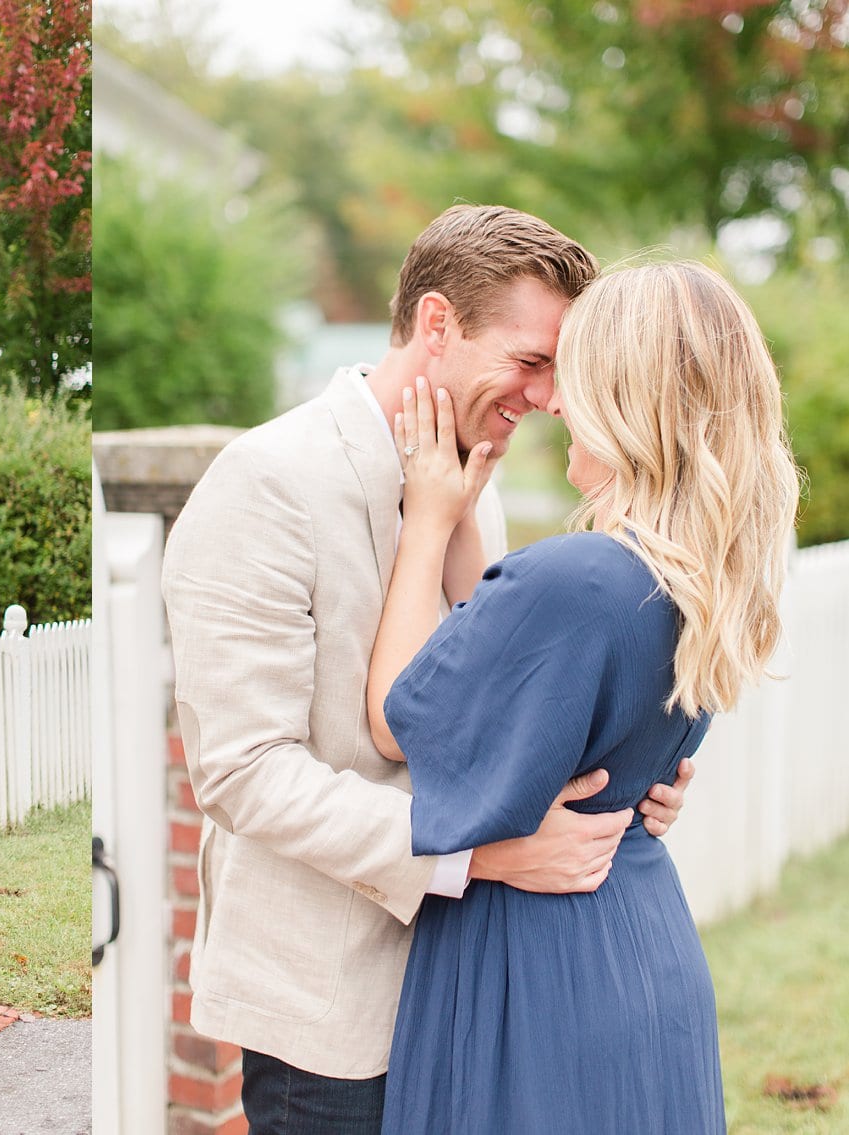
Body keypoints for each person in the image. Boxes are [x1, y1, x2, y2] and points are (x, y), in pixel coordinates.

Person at [161, 205, 693, 1133]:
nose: (545, 396)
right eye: (530, 362)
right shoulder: (266, 481)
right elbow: (242, 773)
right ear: (437, 324)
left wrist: (634, 777)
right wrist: (476, 856)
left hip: (478, 996)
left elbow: (491, 703)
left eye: (559, 372)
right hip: (335, 1020)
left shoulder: (471, 474)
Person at [370, 261, 798, 1132]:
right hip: (640, 942)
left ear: (626, 400)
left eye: (577, 376)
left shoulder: (579, 580)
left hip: (537, 971)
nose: (555, 402)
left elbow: (395, 718)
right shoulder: (696, 579)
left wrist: (424, 521)